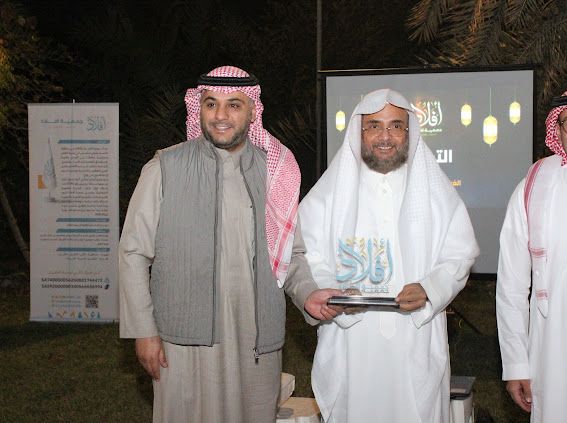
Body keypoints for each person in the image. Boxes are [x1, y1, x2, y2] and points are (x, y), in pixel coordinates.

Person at [119, 65, 340, 423]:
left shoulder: (275, 172)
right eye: (211, 104)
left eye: (234, 105)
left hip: (255, 340)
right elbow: (132, 253)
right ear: (199, 109)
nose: (220, 115)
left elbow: (290, 254)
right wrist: (143, 330)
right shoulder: (165, 168)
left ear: (253, 111)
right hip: (183, 339)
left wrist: (307, 294)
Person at [298, 89, 479, 422]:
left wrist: (429, 289)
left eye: (396, 126)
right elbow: (307, 256)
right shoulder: (328, 194)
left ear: (408, 132)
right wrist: (336, 293)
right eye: (374, 126)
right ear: (359, 131)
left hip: (416, 339)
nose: (385, 136)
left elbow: (460, 253)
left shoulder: (435, 192)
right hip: (352, 343)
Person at [497, 91, 567, 423]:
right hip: (552, 356)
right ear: (558, 130)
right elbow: (511, 284)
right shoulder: (535, 184)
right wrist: (516, 364)